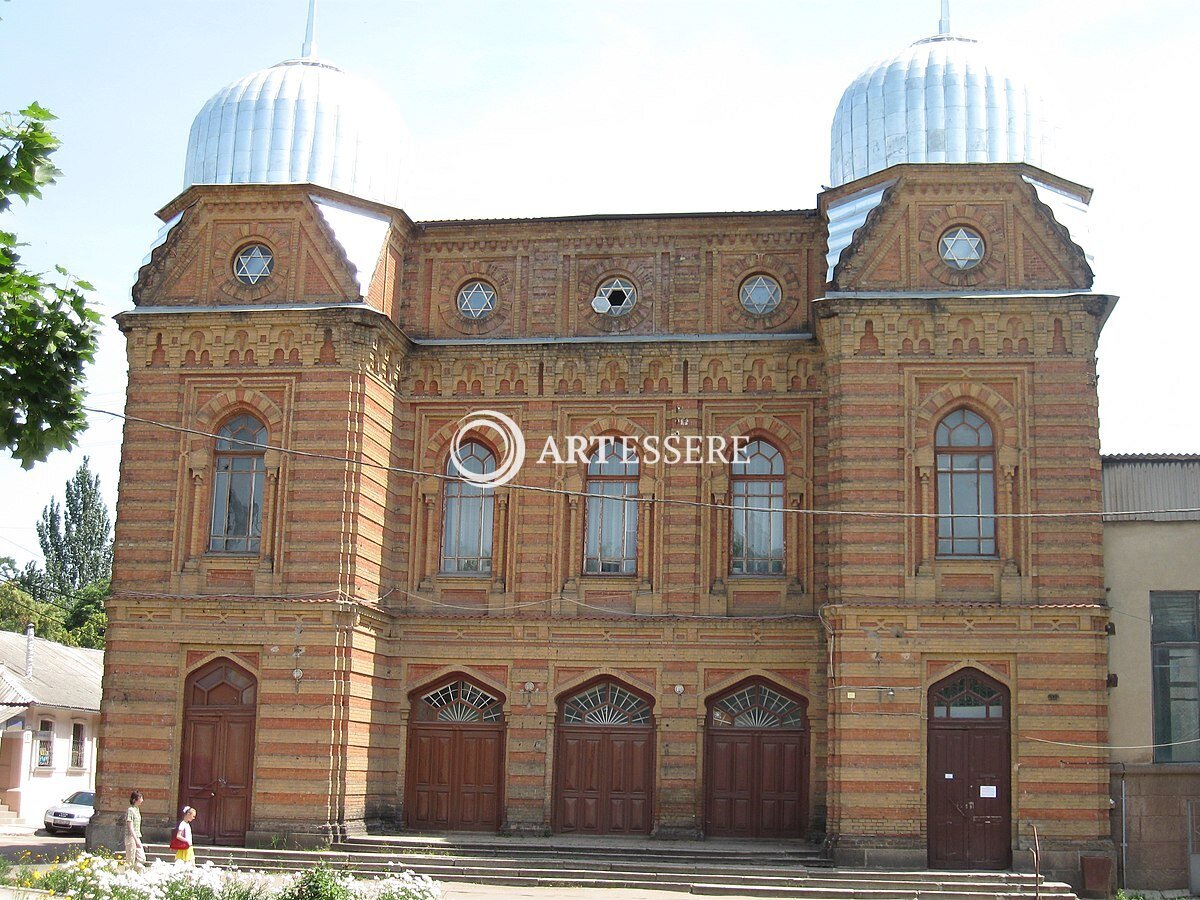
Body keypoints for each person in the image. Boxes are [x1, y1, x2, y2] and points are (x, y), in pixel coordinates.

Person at [124, 791, 145, 871]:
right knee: (130, 858)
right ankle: (128, 873)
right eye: (140, 798)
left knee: (141, 857)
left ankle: (136, 871)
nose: (142, 800)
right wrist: (136, 840)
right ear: (134, 800)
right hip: (131, 837)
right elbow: (130, 826)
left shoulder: (137, 809)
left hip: (137, 836)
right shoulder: (130, 810)